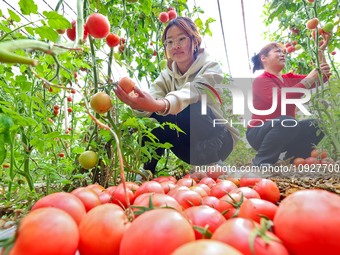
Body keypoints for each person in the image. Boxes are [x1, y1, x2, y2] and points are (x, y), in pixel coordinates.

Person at [114, 16, 239, 173]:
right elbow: (152, 99)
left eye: (181, 39)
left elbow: (193, 92)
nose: (175, 46)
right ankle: (147, 172)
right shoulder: (166, 76)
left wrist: (161, 104)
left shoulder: (211, 68)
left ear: (194, 41)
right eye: (170, 42)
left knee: (193, 107)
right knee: (153, 119)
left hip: (218, 142)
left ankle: (213, 165)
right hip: (186, 148)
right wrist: (138, 104)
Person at [246, 36, 331, 167]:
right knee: (288, 121)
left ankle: (294, 158)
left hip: (286, 130)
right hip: (259, 134)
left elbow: (323, 78)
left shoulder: (289, 79)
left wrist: (320, 53)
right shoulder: (261, 80)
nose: (283, 55)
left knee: (316, 125)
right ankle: (262, 161)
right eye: (278, 52)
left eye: (283, 52)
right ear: (264, 58)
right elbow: (281, 100)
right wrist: (307, 80)